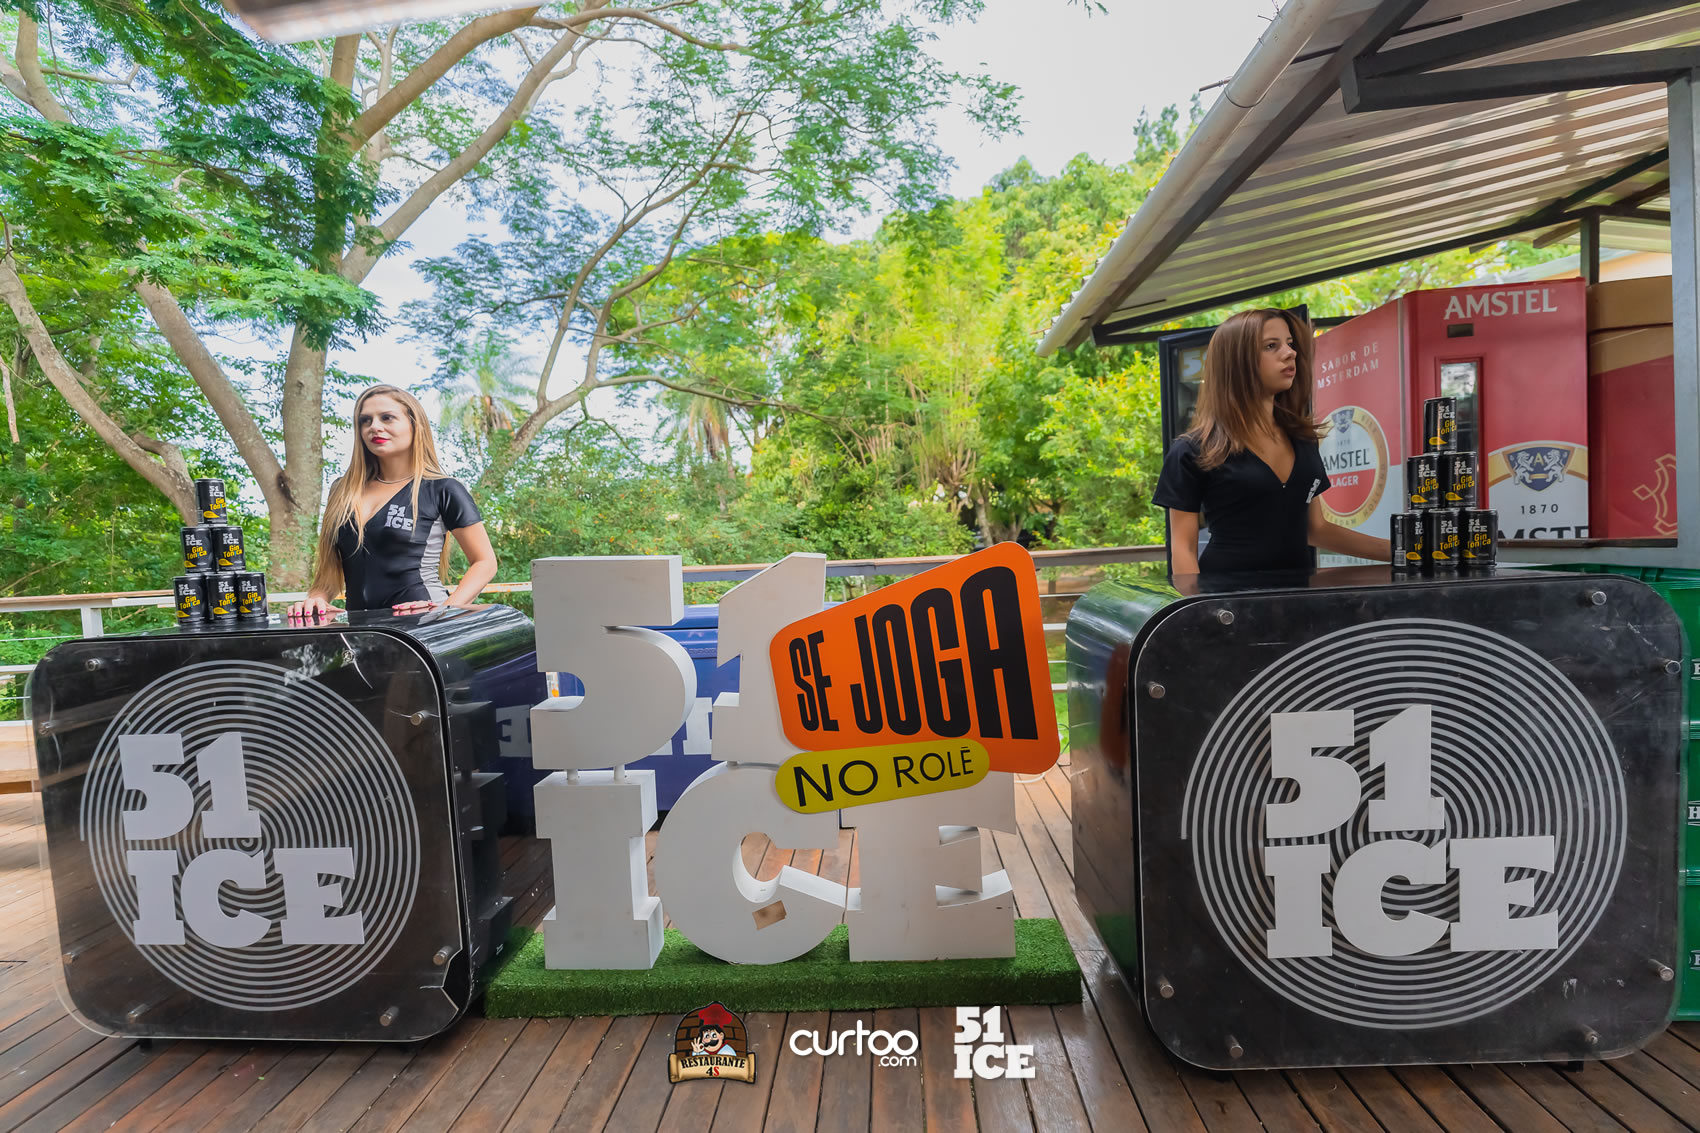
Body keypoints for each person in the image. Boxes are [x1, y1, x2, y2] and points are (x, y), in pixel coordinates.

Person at [1155, 308, 1391, 575]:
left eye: (1290, 343)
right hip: (1226, 596)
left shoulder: (1303, 440)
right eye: (1271, 346)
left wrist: (1402, 552)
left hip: (1298, 595)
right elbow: (1183, 549)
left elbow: (1317, 529)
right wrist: (1200, 602)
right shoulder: (1192, 450)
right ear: (1237, 361)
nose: (1290, 353)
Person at [288, 384, 498, 619]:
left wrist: (445, 612)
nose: (374, 427)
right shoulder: (342, 490)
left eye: (387, 417)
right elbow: (330, 572)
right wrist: (316, 599)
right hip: (363, 629)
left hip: (423, 626)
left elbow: (485, 562)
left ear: (414, 424)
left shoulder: (442, 489)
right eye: (365, 421)